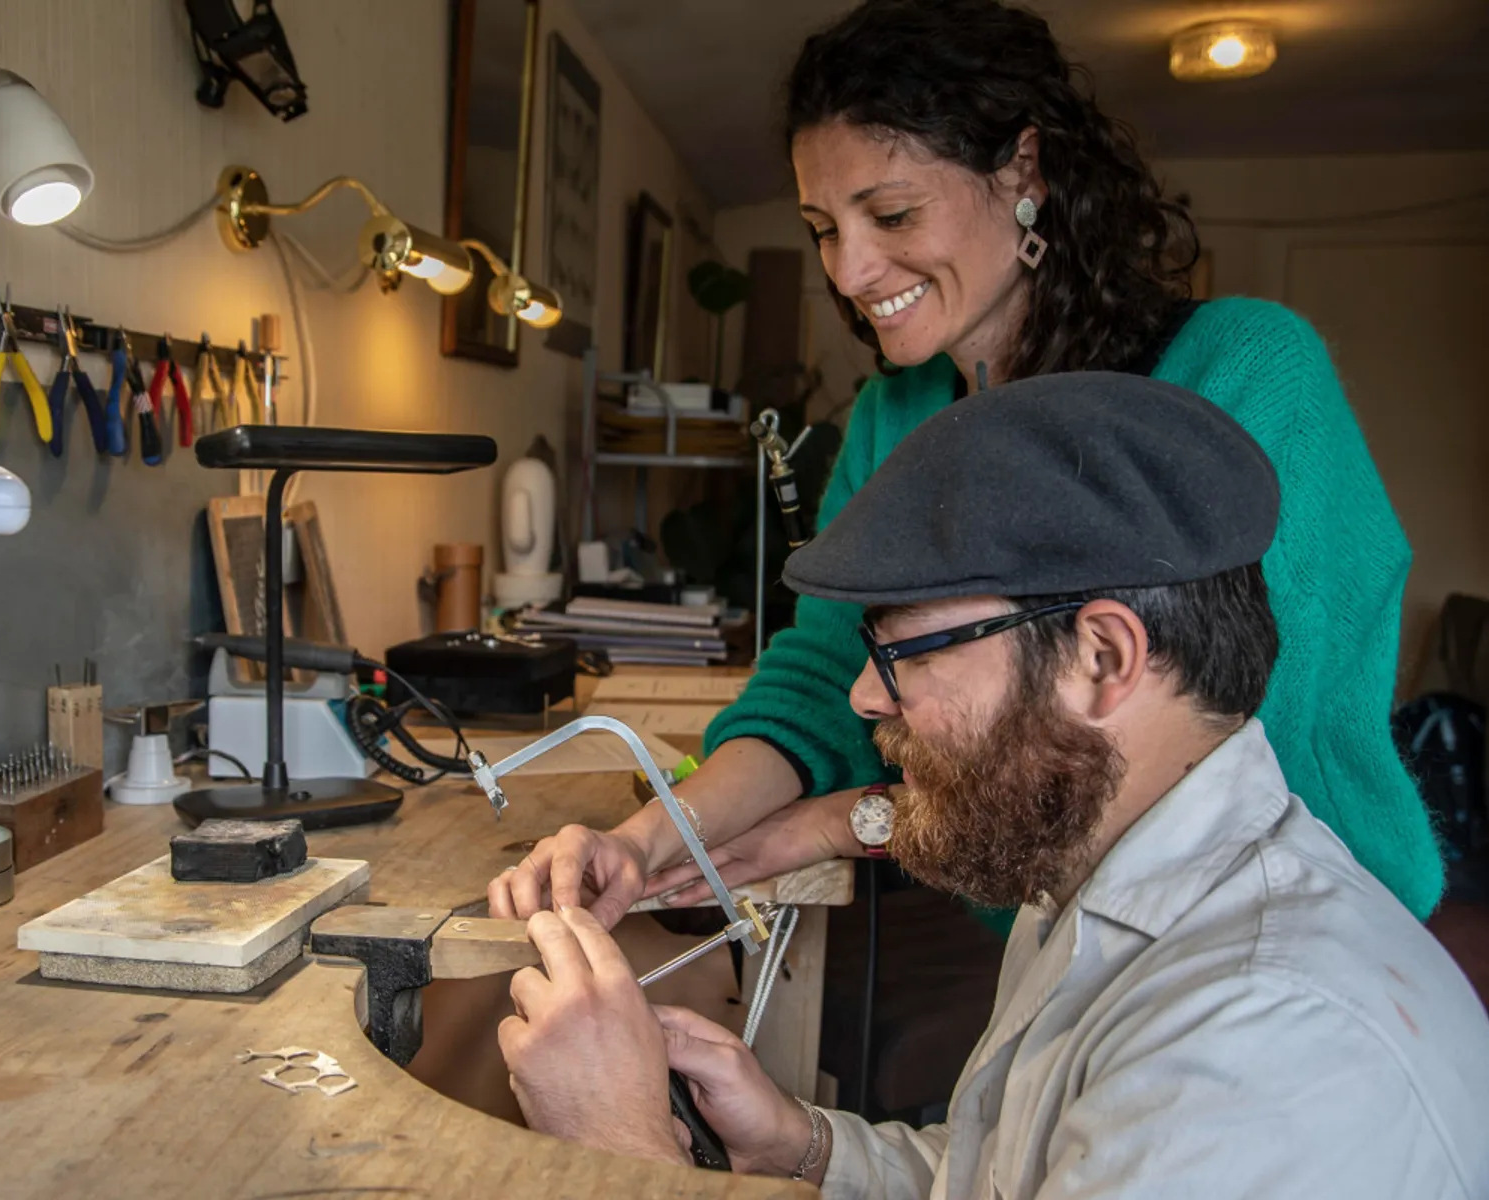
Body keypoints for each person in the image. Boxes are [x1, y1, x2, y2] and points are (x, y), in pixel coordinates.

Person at [488, 0, 1441, 932]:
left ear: (1023, 169)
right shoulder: (897, 414)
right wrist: (651, 837)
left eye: (892, 214)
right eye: (824, 227)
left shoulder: (1244, 372)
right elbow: (831, 668)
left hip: (1279, 922)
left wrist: (842, 822)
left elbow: (1208, 744)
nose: (851, 272)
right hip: (1052, 919)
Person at [496, 374, 1489, 1198]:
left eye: (905, 655)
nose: (860, 696)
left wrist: (620, 1148)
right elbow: (1014, 1173)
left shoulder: (1262, 1042)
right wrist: (803, 1147)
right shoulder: (1093, 870)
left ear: (1102, 658)